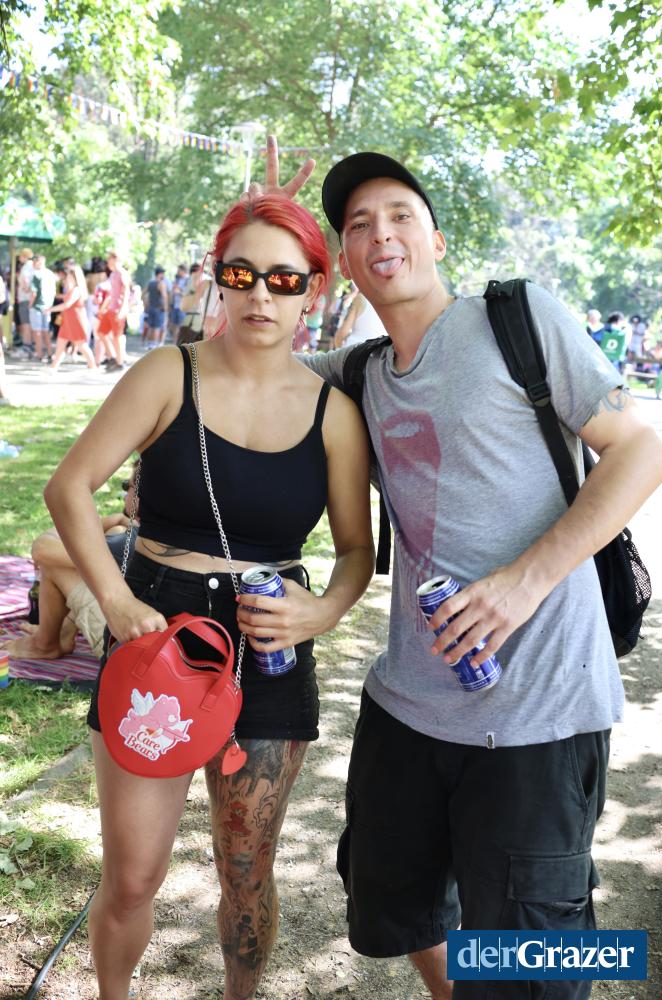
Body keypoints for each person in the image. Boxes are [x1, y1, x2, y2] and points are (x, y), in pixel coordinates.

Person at [271, 146, 662, 1000]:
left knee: (532, 954)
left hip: (539, 712)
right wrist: (266, 238)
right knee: (394, 903)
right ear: (344, 263)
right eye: (358, 226)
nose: (381, 234)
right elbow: (243, 366)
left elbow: (641, 449)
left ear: (437, 240)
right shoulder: (358, 373)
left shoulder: (515, 318)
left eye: (400, 216)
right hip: (408, 706)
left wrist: (523, 582)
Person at [43, 185, 375, 1000]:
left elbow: (355, 552)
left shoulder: (334, 415)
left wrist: (321, 611)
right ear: (217, 277)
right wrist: (115, 601)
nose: (261, 294)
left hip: (268, 650)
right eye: (241, 273)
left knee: (246, 872)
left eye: (284, 279)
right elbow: (70, 488)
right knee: (132, 875)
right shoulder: (169, 373)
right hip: (156, 636)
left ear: (314, 289)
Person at [1, 474, 138, 662]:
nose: (124, 494)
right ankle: (64, 632)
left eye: (127, 486)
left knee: (54, 562)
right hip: (147, 639)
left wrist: (112, 519)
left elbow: (42, 549)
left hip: (126, 648)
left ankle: (43, 645)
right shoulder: (152, 537)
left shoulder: (129, 541)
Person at [45, 265, 97, 372]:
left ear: (74, 277)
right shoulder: (72, 290)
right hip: (68, 321)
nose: (67, 277)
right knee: (60, 345)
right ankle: (53, 367)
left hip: (75, 321)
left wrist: (50, 309)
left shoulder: (77, 290)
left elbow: (67, 305)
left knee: (81, 345)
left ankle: (93, 366)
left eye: (69, 275)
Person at [29, 254, 57, 362]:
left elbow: (34, 293)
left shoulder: (36, 274)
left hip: (37, 306)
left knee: (37, 331)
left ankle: (39, 354)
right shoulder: (50, 274)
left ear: (38, 262)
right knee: (45, 331)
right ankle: (49, 353)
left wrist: (30, 304)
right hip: (48, 306)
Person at [105, 251, 131, 370]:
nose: (108, 261)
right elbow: (112, 293)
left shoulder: (122, 273)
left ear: (115, 259)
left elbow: (126, 292)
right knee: (102, 333)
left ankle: (120, 363)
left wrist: (123, 309)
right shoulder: (113, 274)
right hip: (111, 309)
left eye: (109, 258)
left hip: (118, 309)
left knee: (118, 336)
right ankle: (113, 357)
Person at [143, 265, 169, 348]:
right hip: (159, 309)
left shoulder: (150, 283)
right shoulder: (161, 284)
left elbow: (143, 294)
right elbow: (164, 297)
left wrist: (145, 304)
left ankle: (150, 344)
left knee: (151, 327)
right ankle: (154, 344)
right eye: (163, 273)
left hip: (150, 308)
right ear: (159, 274)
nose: (163, 275)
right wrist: (166, 307)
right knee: (157, 327)